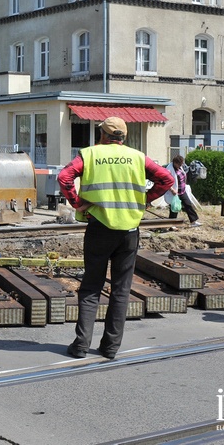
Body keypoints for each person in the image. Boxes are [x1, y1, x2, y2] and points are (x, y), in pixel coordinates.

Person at [58, 117, 173, 360]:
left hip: (99, 227)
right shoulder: (137, 157)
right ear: (124, 136)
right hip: (129, 231)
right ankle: (110, 347)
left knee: (91, 287)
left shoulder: (89, 155)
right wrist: (146, 199)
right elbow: (167, 179)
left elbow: (64, 177)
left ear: (102, 135)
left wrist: (77, 202)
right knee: (121, 289)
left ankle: (81, 345)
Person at [165, 155, 200, 226]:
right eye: (179, 164)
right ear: (175, 162)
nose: (181, 165)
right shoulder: (169, 169)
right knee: (174, 208)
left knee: (188, 204)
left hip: (182, 191)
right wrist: (172, 190)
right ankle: (172, 225)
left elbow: (183, 175)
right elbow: (166, 181)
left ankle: (193, 221)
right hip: (174, 192)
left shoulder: (179, 167)